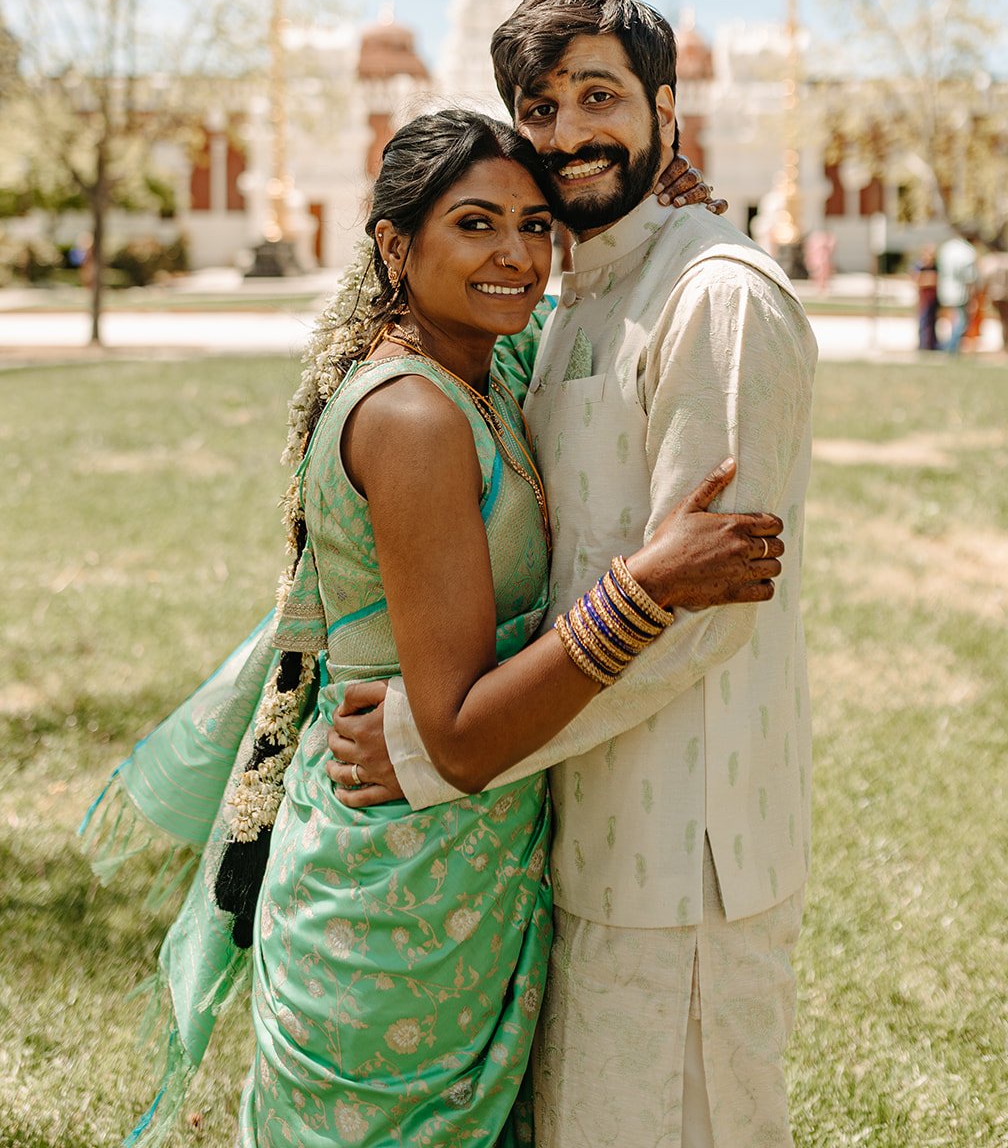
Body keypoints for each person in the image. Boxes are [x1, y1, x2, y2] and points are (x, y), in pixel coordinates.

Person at [83, 108, 786, 1148]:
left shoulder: (489, 365)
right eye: (474, 223)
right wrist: (647, 588)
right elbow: (452, 735)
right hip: (390, 901)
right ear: (394, 245)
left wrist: (654, 200)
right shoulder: (413, 416)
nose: (515, 254)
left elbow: (595, 304)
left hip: (462, 875)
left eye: (535, 224)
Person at [330, 0, 818, 1148]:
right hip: (572, 833)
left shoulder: (716, 296)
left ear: (665, 111)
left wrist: (439, 745)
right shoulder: (576, 296)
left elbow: (703, 613)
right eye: (536, 107)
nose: (564, 134)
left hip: (681, 853)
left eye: (598, 96)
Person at [937, 228, 979, 354]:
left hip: (945, 290)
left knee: (950, 320)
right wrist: (973, 296)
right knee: (962, 321)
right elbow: (969, 277)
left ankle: (948, 346)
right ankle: (950, 348)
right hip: (960, 292)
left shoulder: (947, 248)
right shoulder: (967, 252)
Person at [979, 237, 1008, 352]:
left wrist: (983, 294)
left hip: (995, 294)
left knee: (1002, 319)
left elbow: (985, 281)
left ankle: (1006, 344)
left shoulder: (989, 261)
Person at [913, 244, 940, 351]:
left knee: (933, 322)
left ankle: (932, 344)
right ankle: (923, 345)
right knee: (923, 321)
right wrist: (930, 280)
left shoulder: (935, 266)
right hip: (924, 299)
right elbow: (917, 280)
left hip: (933, 298)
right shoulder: (920, 266)